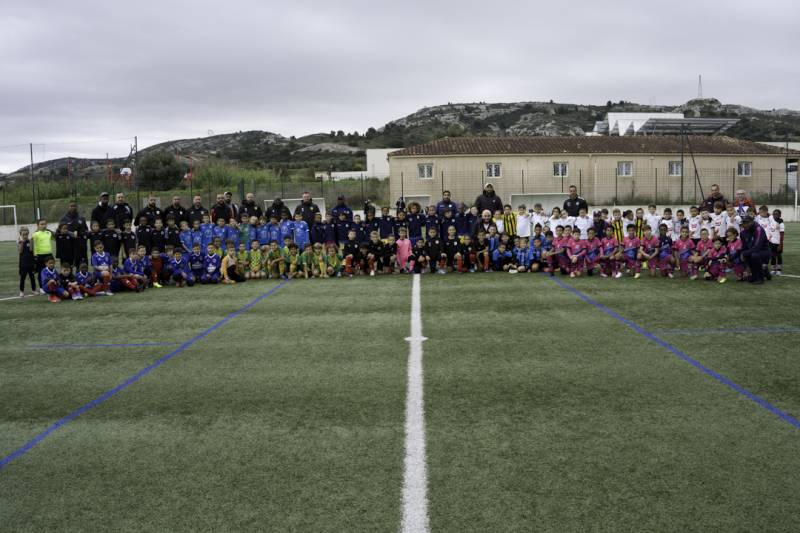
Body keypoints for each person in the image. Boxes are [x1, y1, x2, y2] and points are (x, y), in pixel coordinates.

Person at [59, 201, 89, 265]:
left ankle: (79, 274)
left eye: (74, 206)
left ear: (76, 207)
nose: (73, 207)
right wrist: (69, 233)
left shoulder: (81, 218)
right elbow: (59, 231)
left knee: (80, 263)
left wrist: (82, 235)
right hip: (68, 245)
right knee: (68, 264)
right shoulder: (63, 219)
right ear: (68, 207)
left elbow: (86, 230)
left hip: (79, 245)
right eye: (71, 206)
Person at [18, 227, 36, 297]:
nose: (25, 236)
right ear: (21, 234)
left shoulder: (30, 241)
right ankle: (21, 291)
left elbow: (31, 250)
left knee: (32, 277)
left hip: (30, 263)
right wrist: (22, 242)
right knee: (23, 278)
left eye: (26, 234)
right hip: (23, 264)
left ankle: (33, 290)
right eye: (23, 234)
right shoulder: (19, 242)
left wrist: (31, 241)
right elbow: (20, 251)